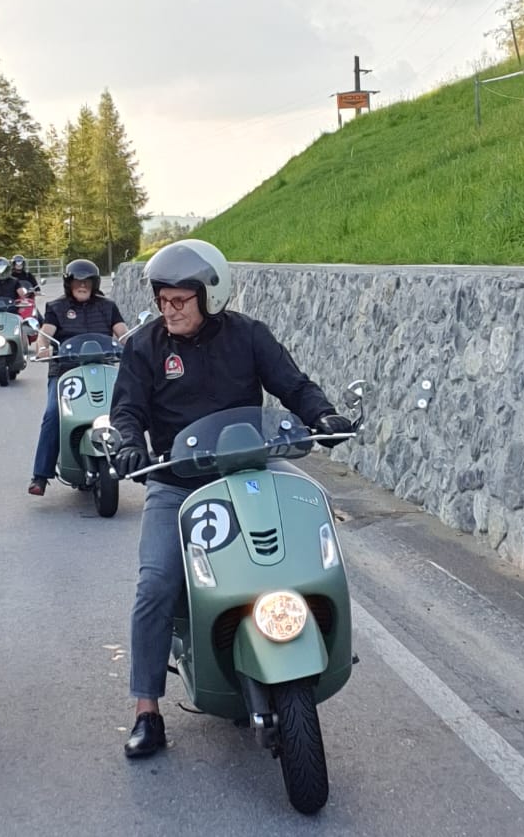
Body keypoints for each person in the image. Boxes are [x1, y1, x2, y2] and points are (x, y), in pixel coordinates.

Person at [107, 239, 354, 759]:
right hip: (177, 482)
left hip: (251, 468)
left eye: (180, 300)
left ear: (210, 296)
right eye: (162, 300)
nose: (169, 310)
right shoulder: (144, 346)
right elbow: (127, 409)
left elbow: (293, 385)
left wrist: (323, 414)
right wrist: (129, 444)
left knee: (312, 517)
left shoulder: (249, 336)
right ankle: (147, 709)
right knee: (156, 582)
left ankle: (311, 648)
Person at [28, 259, 128, 495]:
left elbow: (123, 333)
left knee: (127, 408)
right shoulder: (56, 307)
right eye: (77, 281)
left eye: (87, 282)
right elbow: (44, 336)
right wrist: (42, 349)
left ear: (94, 283)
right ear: (69, 283)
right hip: (67, 372)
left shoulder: (107, 306)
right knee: (53, 413)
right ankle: (40, 475)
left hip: (103, 369)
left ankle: (140, 464)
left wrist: (134, 346)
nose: (82, 286)